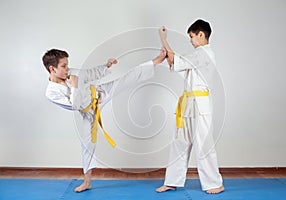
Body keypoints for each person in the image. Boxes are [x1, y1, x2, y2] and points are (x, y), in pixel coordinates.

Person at [42, 48, 166, 192]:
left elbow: (90, 74)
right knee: (87, 146)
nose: (67, 69)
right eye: (63, 66)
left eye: (67, 65)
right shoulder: (51, 92)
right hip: (88, 112)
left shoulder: (71, 73)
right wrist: (75, 86)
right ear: (52, 68)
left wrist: (106, 66)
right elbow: (74, 106)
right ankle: (87, 182)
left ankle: (157, 60)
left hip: (100, 93)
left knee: (127, 77)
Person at [156, 19, 224, 194]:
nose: (191, 41)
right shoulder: (197, 55)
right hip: (188, 104)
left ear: (201, 34)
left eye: (192, 37)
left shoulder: (204, 53)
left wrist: (164, 39)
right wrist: (168, 55)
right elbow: (175, 62)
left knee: (203, 144)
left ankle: (214, 183)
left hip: (200, 105)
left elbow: (175, 59)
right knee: (179, 142)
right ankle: (172, 181)